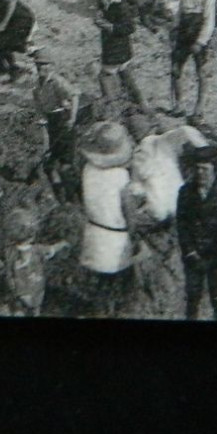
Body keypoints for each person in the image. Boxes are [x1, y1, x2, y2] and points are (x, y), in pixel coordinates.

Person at [176, 144, 217, 321]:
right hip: (193, 255)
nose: (200, 174)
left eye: (205, 169)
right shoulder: (185, 192)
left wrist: (216, 251)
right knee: (192, 299)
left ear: (215, 169)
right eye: (197, 169)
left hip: (216, 255)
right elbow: (181, 224)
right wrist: (190, 251)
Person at [78, 121, 137, 316]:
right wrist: (134, 232)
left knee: (98, 285)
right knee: (117, 283)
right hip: (115, 238)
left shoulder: (88, 169)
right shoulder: (120, 177)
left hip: (93, 231)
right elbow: (129, 212)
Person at [170, 0, 217, 122]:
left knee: (202, 72)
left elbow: (209, 21)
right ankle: (179, 104)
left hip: (199, 33)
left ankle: (200, 109)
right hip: (184, 31)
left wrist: (200, 41)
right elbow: (180, 11)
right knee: (176, 68)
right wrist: (175, 27)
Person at [31, 50, 80, 201]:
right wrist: (42, 122)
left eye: (44, 66)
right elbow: (39, 107)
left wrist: (72, 118)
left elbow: (74, 95)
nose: (41, 69)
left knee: (65, 165)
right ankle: (61, 196)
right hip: (51, 122)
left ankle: (74, 196)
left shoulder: (57, 81)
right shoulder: (37, 85)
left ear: (51, 66)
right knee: (49, 166)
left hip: (63, 120)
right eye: (38, 66)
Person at [95, 0, 146, 110]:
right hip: (120, 48)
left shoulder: (120, 6)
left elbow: (130, 27)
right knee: (125, 75)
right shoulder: (109, 2)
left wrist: (109, 26)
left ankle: (112, 106)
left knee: (104, 77)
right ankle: (140, 103)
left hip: (115, 48)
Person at [3, 208, 68, 317]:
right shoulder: (38, 249)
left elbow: (8, 270)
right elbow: (52, 249)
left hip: (18, 290)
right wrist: (63, 243)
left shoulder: (9, 251)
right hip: (35, 289)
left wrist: (12, 285)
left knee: (18, 309)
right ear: (32, 233)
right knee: (35, 310)